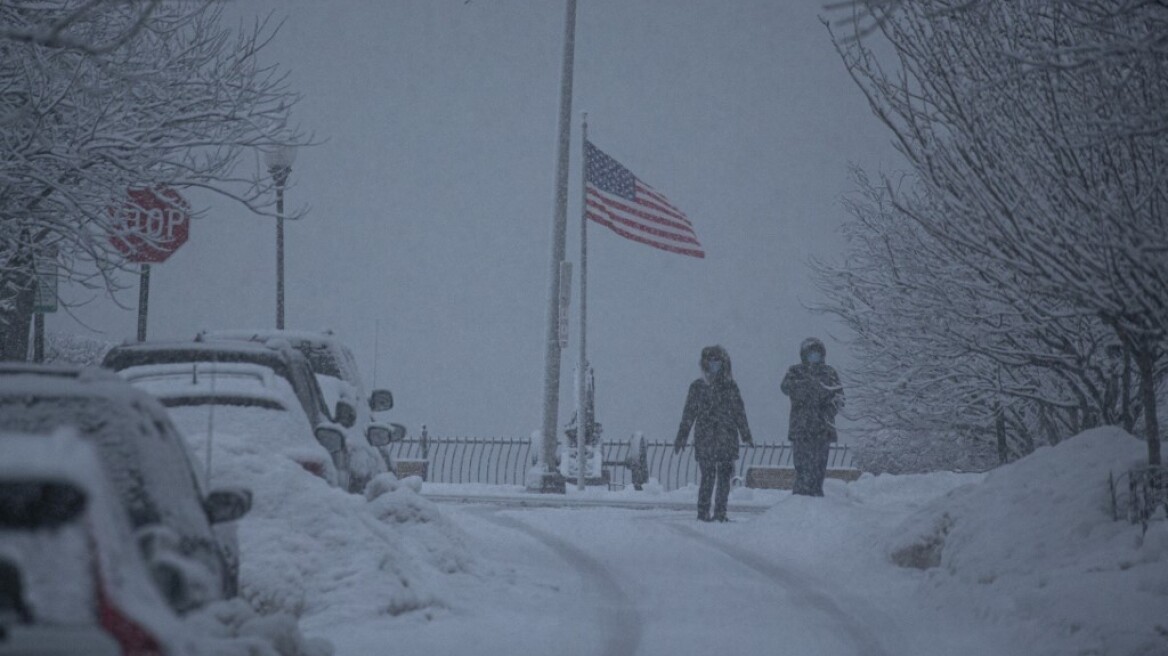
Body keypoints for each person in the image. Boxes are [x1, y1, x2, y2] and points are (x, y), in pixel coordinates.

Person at [675, 345, 753, 522]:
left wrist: (746, 434)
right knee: (708, 477)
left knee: (724, 478)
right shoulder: (698, 387)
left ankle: (720, 512)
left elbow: (739, 412)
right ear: (705, 363)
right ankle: (703, 513)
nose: (714, 364)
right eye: (711, 361)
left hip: (724, 437)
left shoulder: (730, 386)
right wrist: (681, 436)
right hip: (706, 438)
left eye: (717, 361)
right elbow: (689, 414)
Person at [781, 337, 845, 497]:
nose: (814, 357)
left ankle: (816, 496)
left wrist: (826, 412)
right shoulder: (795, 371)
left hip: (822, 429)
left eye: (817, 354)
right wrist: (807, 387)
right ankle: (800, 497)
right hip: (801, 428)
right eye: (811, 354)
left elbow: (840, 399)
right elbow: (785, 387)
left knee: (818, 467)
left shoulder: (829, 372)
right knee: (802, 466)